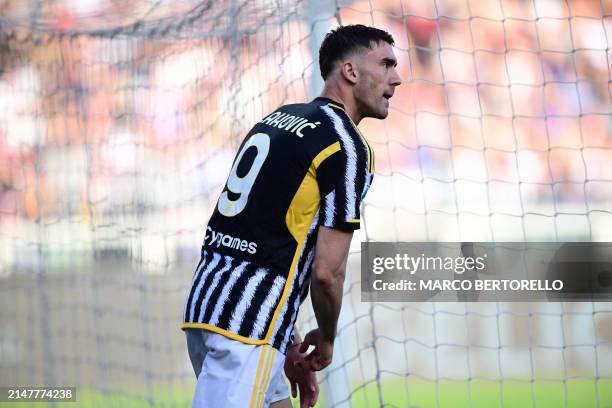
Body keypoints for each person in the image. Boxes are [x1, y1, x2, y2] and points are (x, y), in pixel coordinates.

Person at [182, 24, 401, 408]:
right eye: (386, 64)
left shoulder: (278, 120)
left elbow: (270, 239)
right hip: (247, 331)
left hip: (210, 309)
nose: (396, 78)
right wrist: (327, 339)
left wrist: (289, 341)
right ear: (350, 72)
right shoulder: (346, 146)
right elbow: (326, 272)